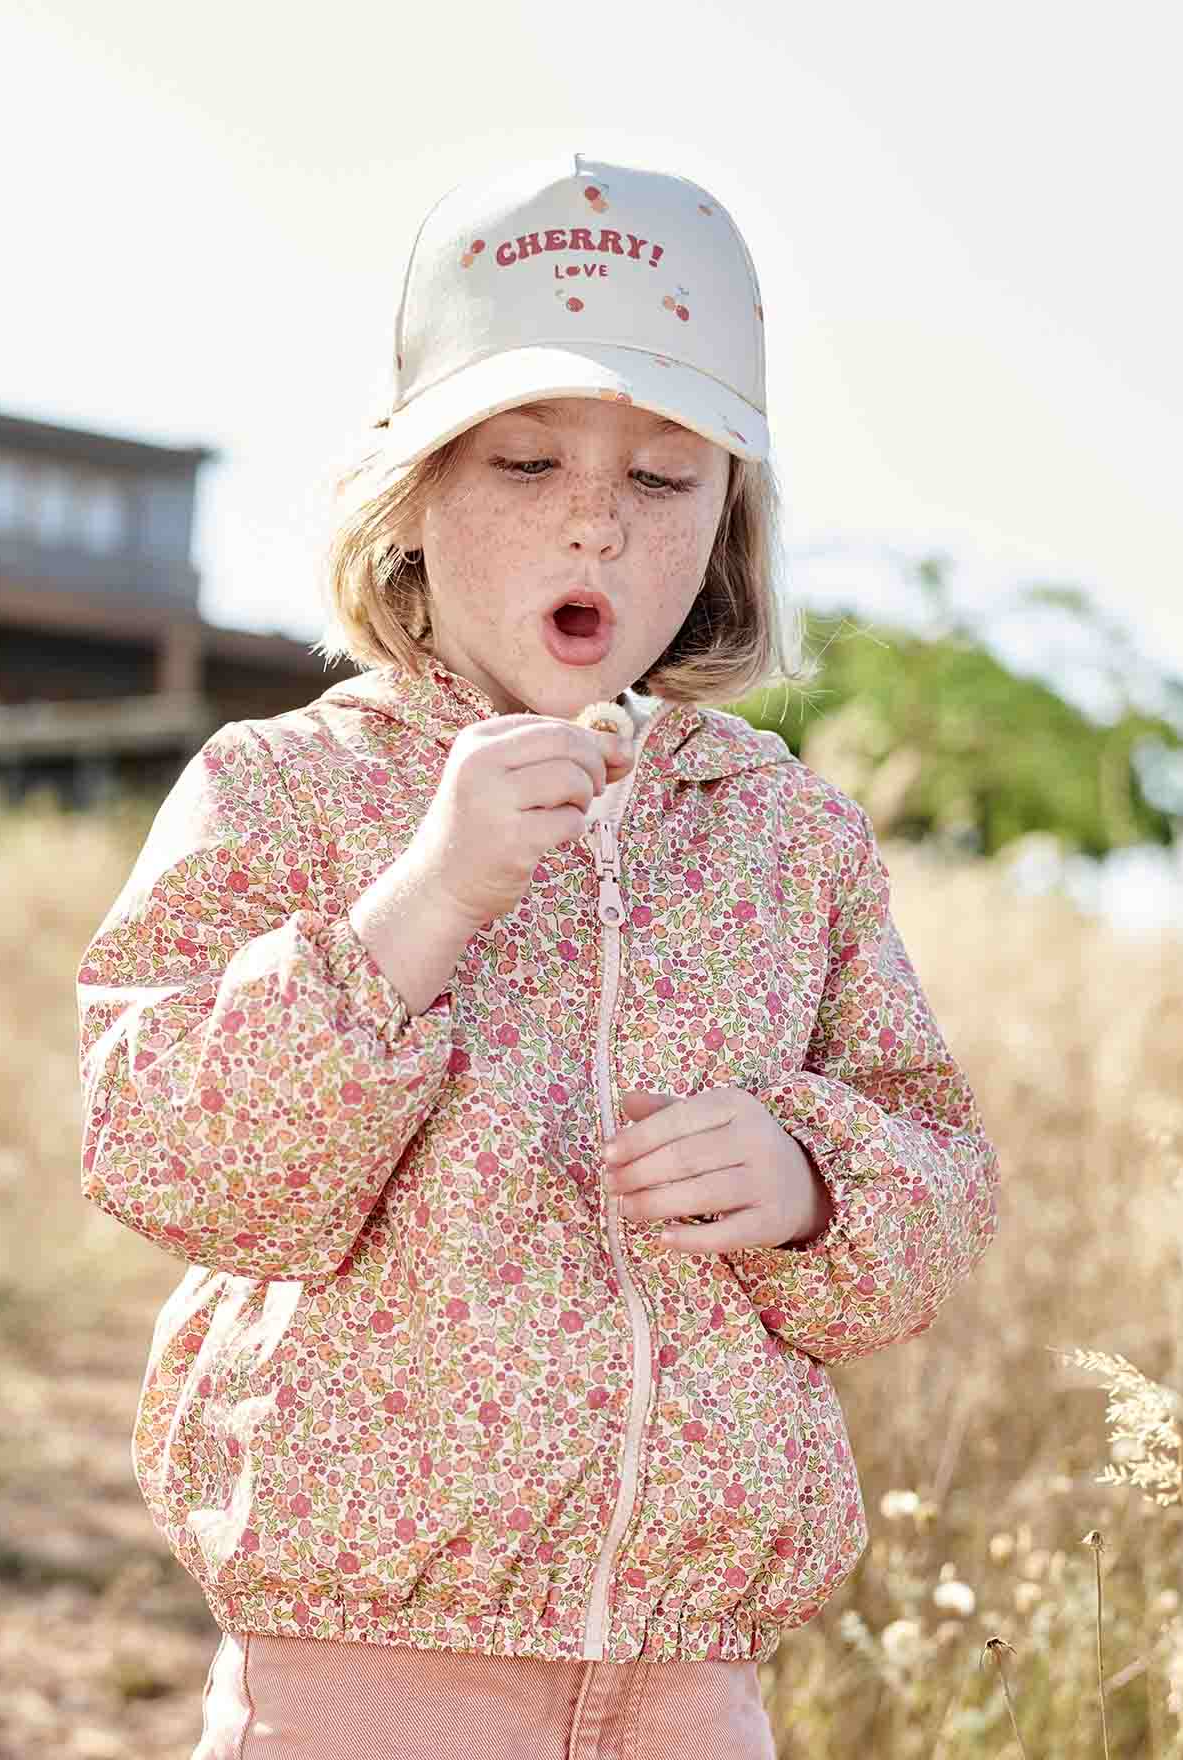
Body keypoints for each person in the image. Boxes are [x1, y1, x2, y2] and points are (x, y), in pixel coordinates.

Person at [76, 153, 1001, 1759]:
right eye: (523, 460)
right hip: (364, 1660)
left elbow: (939, 1180)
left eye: (665, 478)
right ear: (411, 501)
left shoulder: (791, 838)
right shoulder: (284, 787)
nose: (595, 517)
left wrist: (810, 1183)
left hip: (690, 1678)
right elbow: (167, 1155)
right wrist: (420, 909)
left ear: (728, 528)